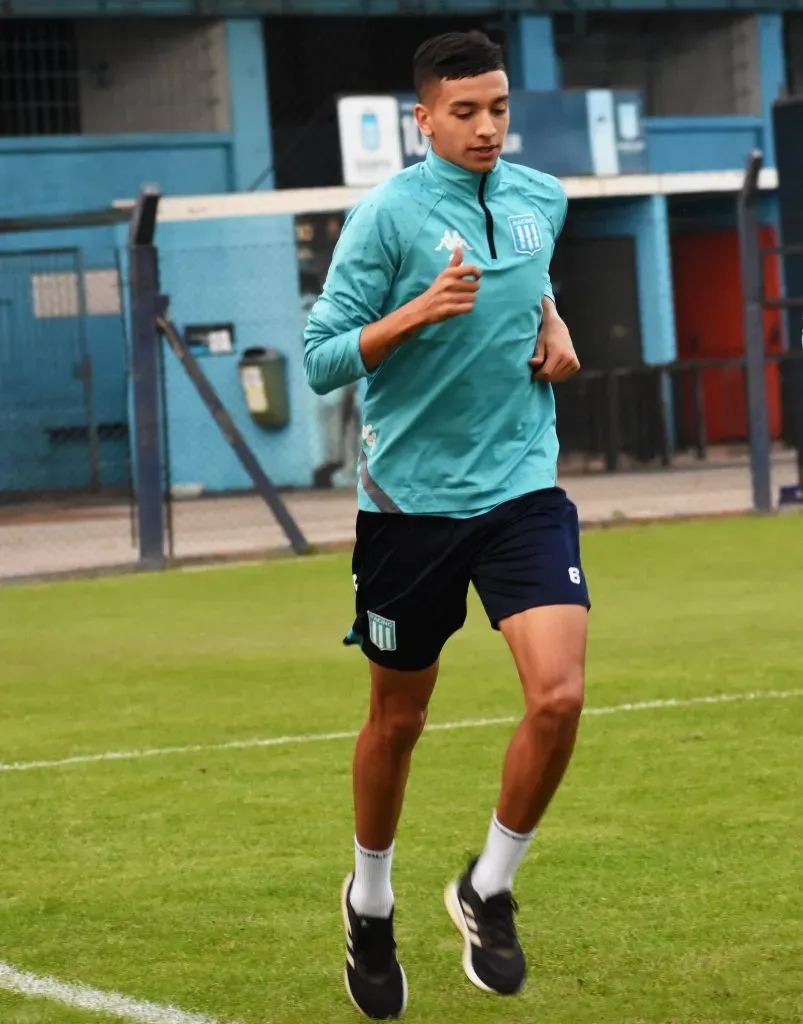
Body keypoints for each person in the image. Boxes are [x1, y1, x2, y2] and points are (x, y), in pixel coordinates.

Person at [303, 30, 589, 1020]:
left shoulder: (537, 198)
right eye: (463, 112)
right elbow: (321, 358)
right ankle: (370, 900)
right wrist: (415, 313)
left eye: (497, 107)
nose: (484, 127)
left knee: (556, 696)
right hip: (407, 510)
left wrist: (553, 327)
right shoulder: (383, 218)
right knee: (400, 721)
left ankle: (487, 886)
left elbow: (530, 276)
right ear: (419, 118)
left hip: (519, 487)